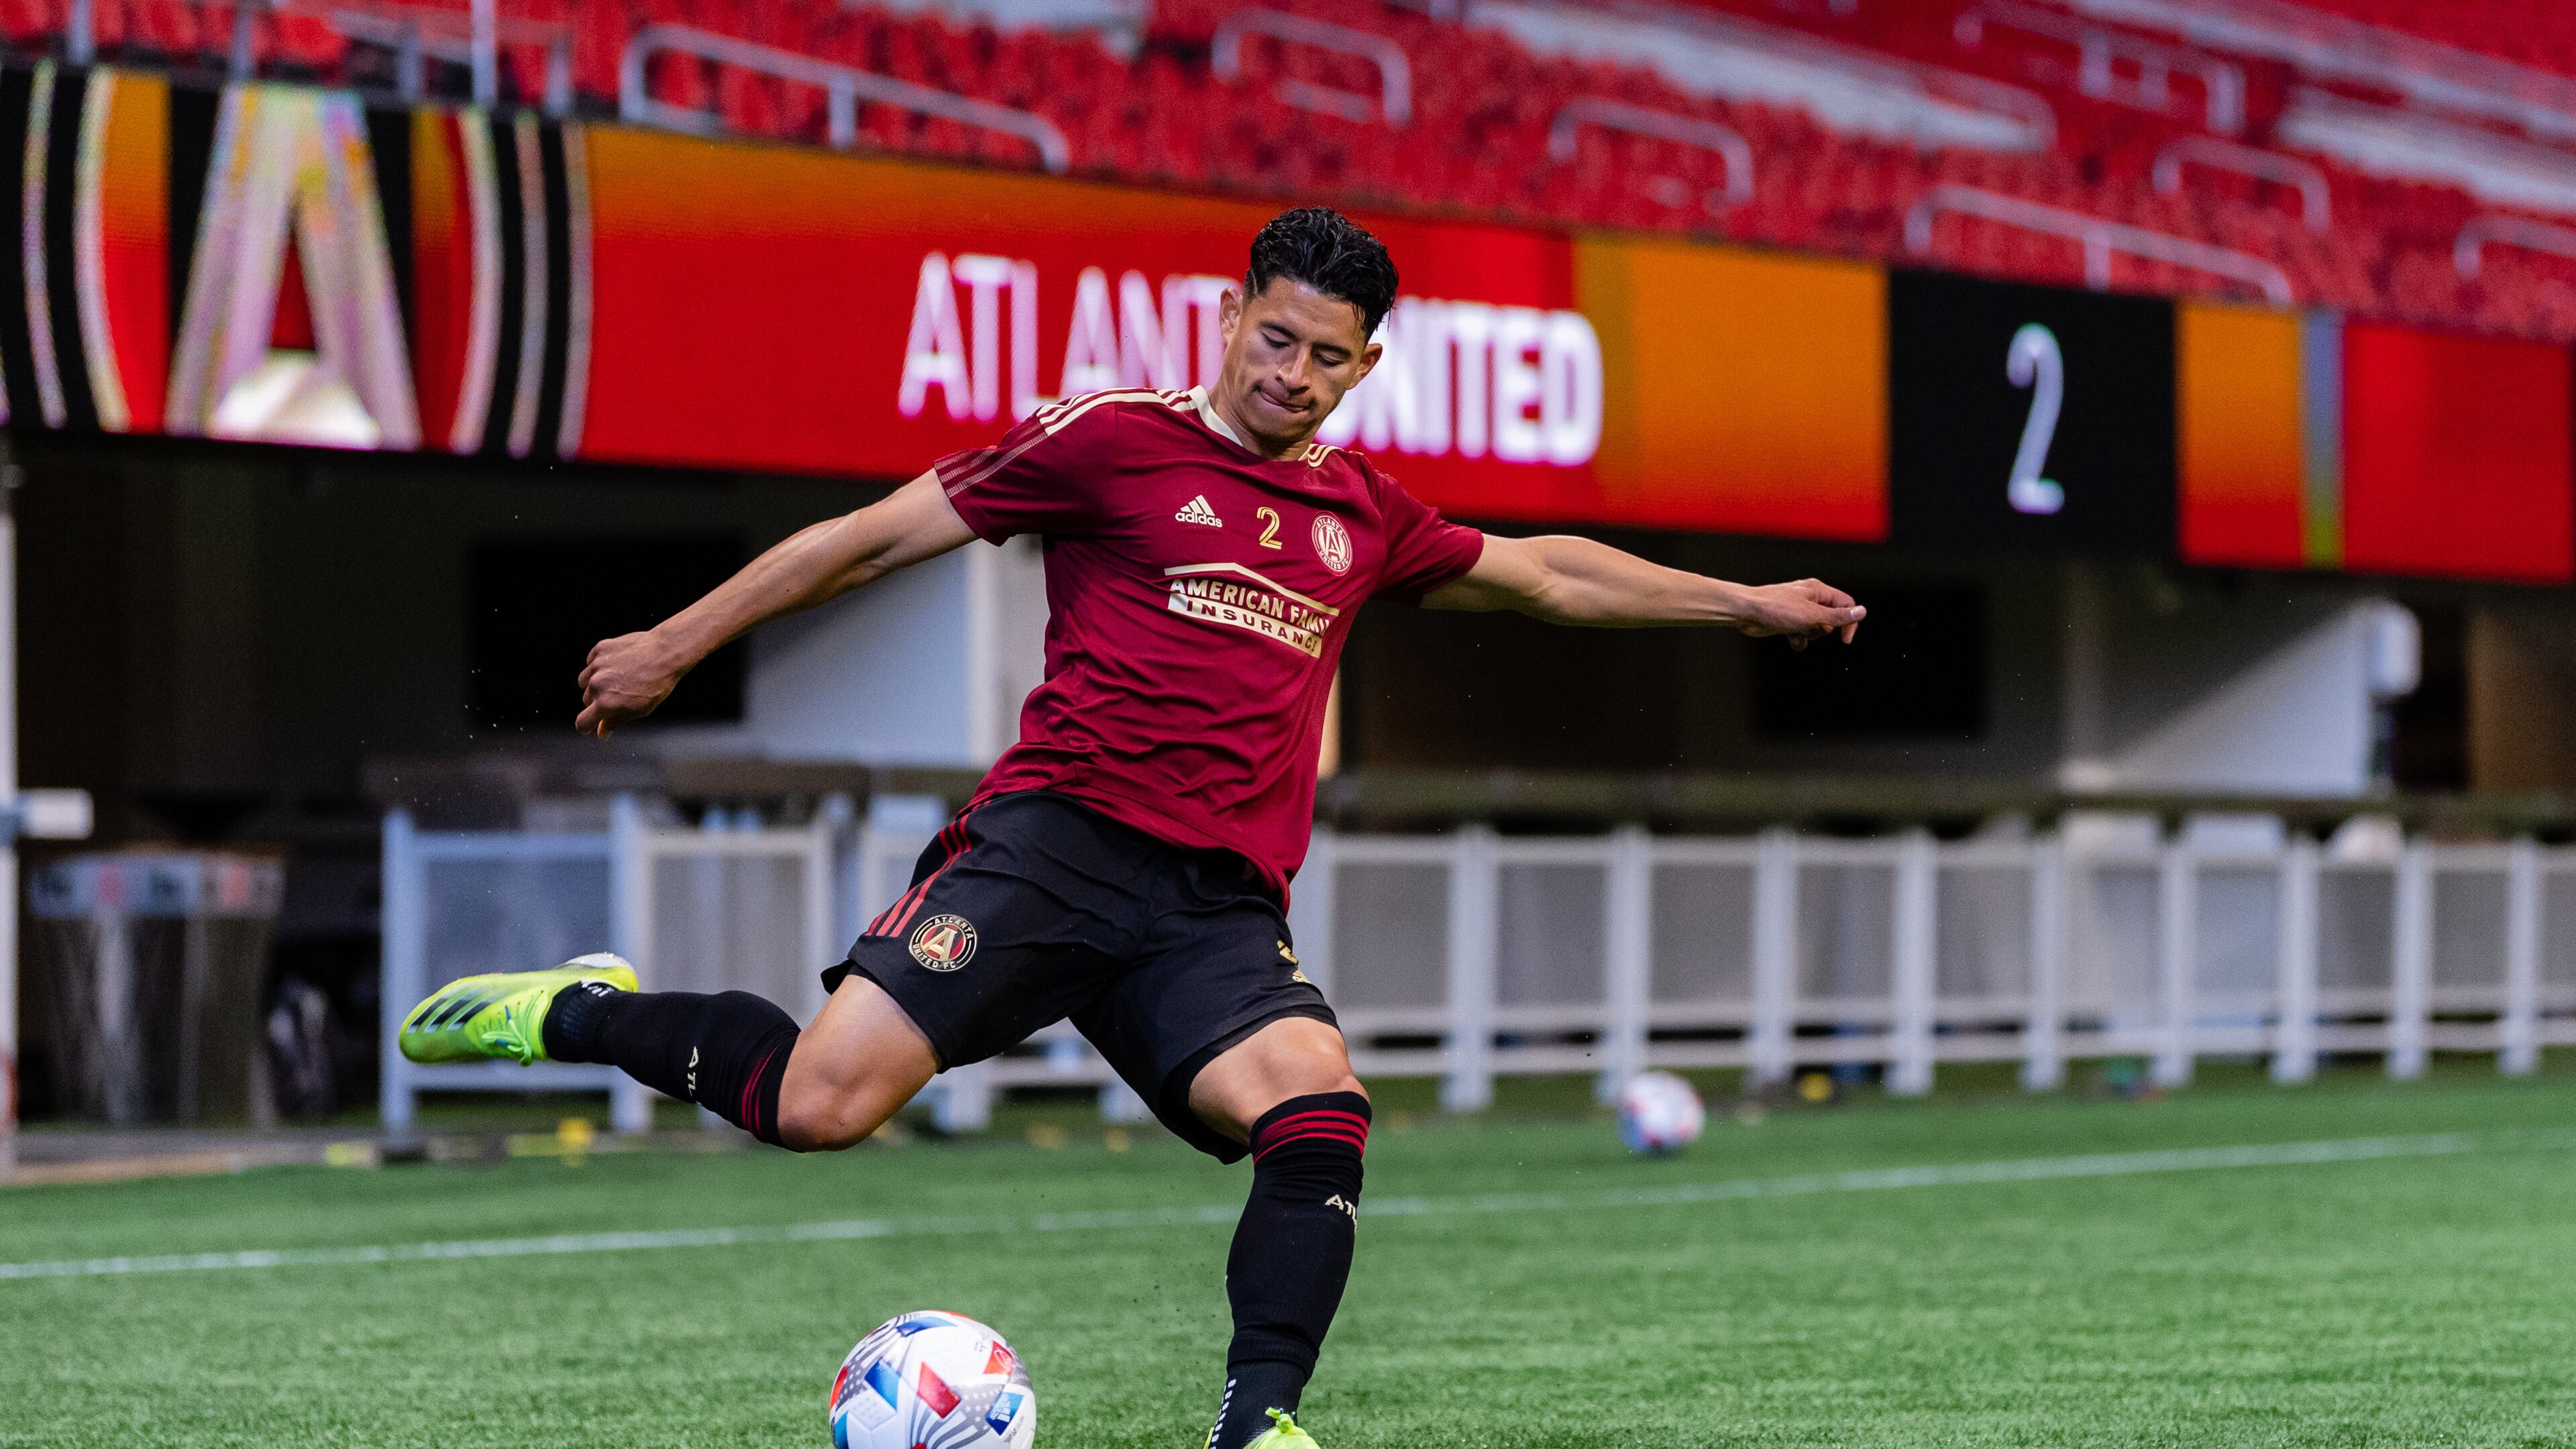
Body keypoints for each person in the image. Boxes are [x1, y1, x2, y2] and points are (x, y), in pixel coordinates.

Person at [398, 206, 1863, 1449]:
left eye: (1327, 357)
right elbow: (868, 540)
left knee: (1318, 1111)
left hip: (1213, 907)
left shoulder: (1365, 514)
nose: (1293, 376)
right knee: (819, 1107)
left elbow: (1547, 578)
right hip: (1051, 845)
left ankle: (1261, 1424)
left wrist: (1743, 604)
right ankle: (580, 1015)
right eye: (1275, 339)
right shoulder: (1112, 443)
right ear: (1233, 319)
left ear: (1368, 367)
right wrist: (678, 637)